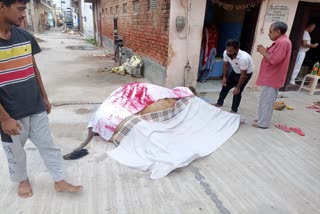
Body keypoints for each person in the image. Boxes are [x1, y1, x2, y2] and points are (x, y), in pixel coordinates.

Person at [0, 0, 83, 198]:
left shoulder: (25, 37)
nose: (23, 14)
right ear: (2, 6)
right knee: (15, 151)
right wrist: (4, 118)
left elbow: (33, 68)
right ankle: (23, 179)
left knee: (49, 145)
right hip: (10, 112)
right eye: (20, 9)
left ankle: (59, 180)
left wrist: (44, 97)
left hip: (35, 106)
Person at [252, 21, 292, 128]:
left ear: (278, 32)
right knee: (265, 99)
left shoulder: (283, 42)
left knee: (267, 101)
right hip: (271, 76)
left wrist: (263, 52)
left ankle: (263, 123)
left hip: (273, 77)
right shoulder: (281, 42)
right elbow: (274, 56)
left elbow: (275, 60)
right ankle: (262, 118)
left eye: (270, 32)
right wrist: (266, 51)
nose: (269, 34)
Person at [212, 39, 254, 113]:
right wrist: (224, 77)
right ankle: (219, 103)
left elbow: (243, 75)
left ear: (237, 49)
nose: (228, 53)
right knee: (225, 86)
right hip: (235, 71)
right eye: (227, 50)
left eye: (231, 51)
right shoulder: (226, 53)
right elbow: (225, 65)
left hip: (245, 74)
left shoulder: (243, 58)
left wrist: (237, 87)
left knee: (237, 91)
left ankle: (234, 110)